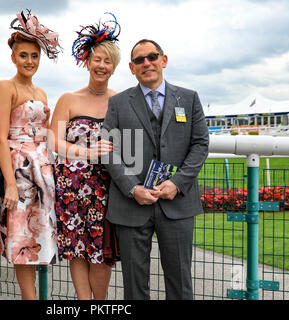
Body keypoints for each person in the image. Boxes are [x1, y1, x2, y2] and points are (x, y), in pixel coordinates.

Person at [102, 39, 209, 300]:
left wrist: (178, 183)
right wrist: (131, 188)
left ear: (164, 60)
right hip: (131, 205)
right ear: (131, 67)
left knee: (180, 282)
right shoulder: (118, 103)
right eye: (139, 60)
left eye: (152, 56)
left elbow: (200, 144)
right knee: (134, 285)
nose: (146, 63)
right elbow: (108, 149)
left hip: (177, 203)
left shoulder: (189, 98)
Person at [0, 10, 60, 300]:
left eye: (34, 56)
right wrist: (9, 184)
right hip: (18, 170)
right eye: (23, 55)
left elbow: (46, 132)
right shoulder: (5, 88)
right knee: (22, 238)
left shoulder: (41, 92)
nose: (29, 61)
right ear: (13, 57)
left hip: (42, 170)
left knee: (40, 235)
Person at [49, 13, 120, 300]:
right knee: (76, 247)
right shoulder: (68, 99)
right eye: (97, 59)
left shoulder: (120, 100)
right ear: (87, 62)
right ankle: (82, 301)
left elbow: (129, 144)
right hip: (71, 185)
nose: (101, 65)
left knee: (101, 250)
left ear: (114, 66)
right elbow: (53, 139)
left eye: (107, 61)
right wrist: (85, 152)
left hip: (105, 185)